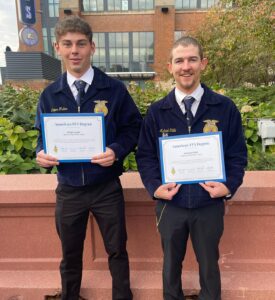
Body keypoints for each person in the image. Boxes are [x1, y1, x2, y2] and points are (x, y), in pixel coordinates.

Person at [35, 16, 142, 300]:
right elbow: (41, 139)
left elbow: (135, 129)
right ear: (57, 47)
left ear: (92, 47)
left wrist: (117, 150)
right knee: (70, 254)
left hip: (106, 187)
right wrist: (40, 154)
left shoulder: (114, 90)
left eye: (81, 44)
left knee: (117, 250)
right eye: (68, 44)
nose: (75, 50)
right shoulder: (49, 95)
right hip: (69, 189)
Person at [136, 36, 247, 300]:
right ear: (170, 67)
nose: (186, 66)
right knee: (170, 266)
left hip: (208, 203)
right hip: (170, 204)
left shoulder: (224, 108)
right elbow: (146, 156)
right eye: (179, 61)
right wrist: (155, 188)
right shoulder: (157, 111)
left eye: (192, 59)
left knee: (209, 267)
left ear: (203, 63)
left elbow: (237, 156)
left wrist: (228, 185)